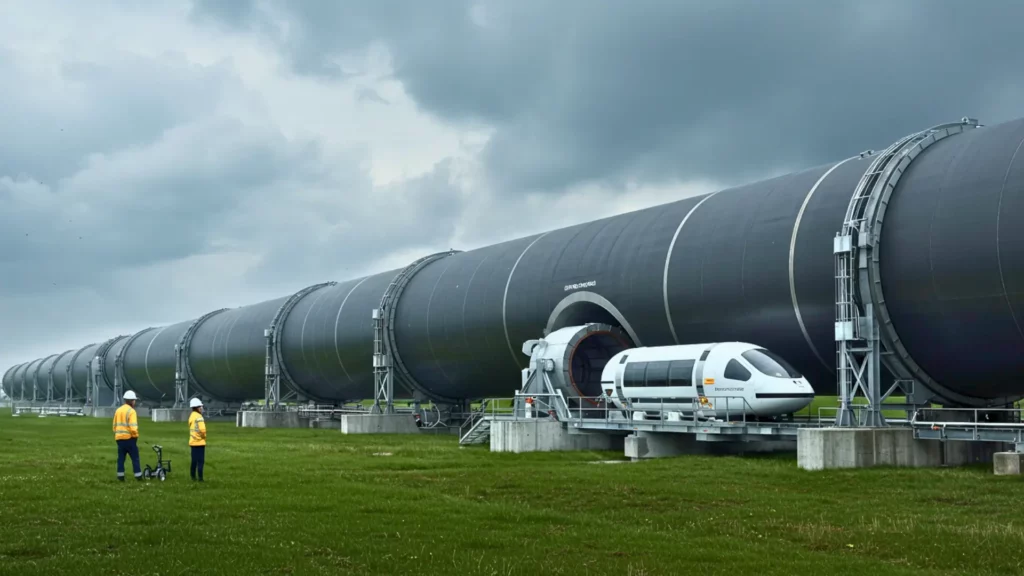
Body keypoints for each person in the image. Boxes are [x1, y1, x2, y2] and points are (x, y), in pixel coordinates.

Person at [113, 390, 142, 481]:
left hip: (119, 439)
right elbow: (133, 427)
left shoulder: (118, 410)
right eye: (134, 400)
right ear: (132, 401)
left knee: (121, 458)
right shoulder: (131, 411)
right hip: (129, 439)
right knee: (135, 458)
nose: (135, 402)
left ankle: (120, 476)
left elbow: (114, 426)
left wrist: (118, 434)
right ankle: (138, 476)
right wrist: (135, 435)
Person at [188, 397, 207, 482]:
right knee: (201, 462)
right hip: (200, 443)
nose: (201, 408)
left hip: (193, 442)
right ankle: (200, 478)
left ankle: (192, 477)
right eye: (200, 407)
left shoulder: (191, 416)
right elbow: (203, 430)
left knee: (194, 461)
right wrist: (204, 436)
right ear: (197, 407)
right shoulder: (199, 417)